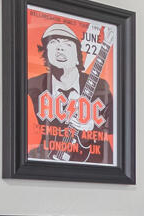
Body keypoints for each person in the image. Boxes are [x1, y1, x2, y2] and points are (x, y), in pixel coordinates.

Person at [26, 21, 113, 163]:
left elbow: (117, 125)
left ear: (77, 55)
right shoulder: (32, 85)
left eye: (67, 44)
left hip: (93, 161)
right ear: (46, 52)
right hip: (48, 158)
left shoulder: (101, 85)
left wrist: (91, 125)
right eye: (53, 43)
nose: (60, 48)